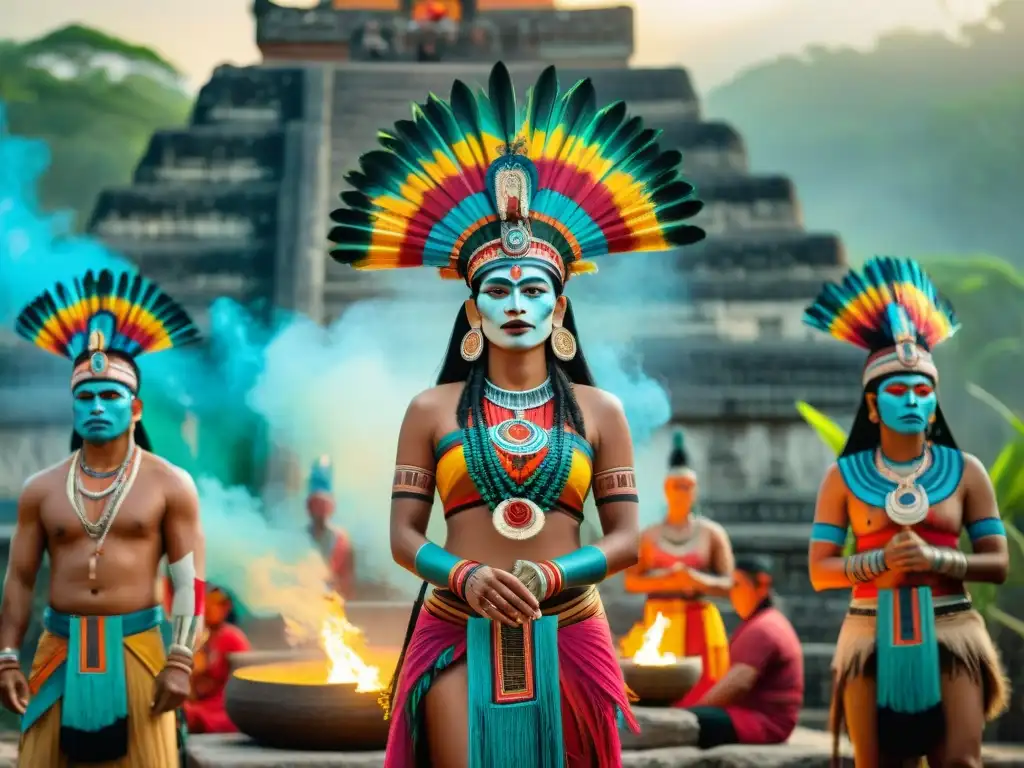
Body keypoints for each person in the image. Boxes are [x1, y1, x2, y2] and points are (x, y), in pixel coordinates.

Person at [328, 62, 705, 768]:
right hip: (453, 624)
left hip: (569, 624)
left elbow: (625, 539)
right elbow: (404, 535)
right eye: (496, 288)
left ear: (560, 307)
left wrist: (554, 575)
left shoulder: (600, 411)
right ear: (471, 309)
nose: (515, 302)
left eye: (535, 288)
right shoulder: (430, 409)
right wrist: (465, 574)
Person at [805, 256, 1009, 766]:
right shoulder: (843, 478)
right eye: (897, 390)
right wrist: (879, 564)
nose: (913, 400)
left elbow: (999, 563)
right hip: (868, 632)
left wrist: (940, 562)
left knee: (961, 762)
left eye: (923, 390)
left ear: (936, 403)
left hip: (953, 628)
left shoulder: (967, 473)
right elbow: (819, 571)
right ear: (872, 406)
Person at [0, 268, 206, 766]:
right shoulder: (41, 489)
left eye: (110, 395)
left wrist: (180, 660)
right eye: (85, 396)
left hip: (139, 649)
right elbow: (20, 580)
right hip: (58, 651)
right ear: (73, 406)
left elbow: (190, 582)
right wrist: (7, 657)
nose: (96, 406)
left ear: (135, 408)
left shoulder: (170, 484)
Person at [620, 429, 734, 705]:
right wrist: (668, 579)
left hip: (700, 619)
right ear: (666, 489)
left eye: (688, 486)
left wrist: (695, 579)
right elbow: (631, 582)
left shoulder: (711, 533)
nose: (682, 492)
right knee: (660, 690)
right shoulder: (649, 536)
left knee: (702, 691)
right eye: (677, 486)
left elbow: (730, 583)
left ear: (695, 490)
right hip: (660, 618)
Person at [685, 555, 803, 748]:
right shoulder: (765, 621)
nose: (732, 593)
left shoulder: (765, 628)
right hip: (757, 718)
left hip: (764, 723)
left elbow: (737, 684)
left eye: (738, 585)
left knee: (687, 722)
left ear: (762, 585)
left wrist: (690, 713)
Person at [184, 586, 250, 734]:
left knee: (191, 716)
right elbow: (195, 687)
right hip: (203, 703)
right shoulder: (201, 639)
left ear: (226, 608)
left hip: (223, 706)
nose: (210, 607)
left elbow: (242, 686)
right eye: (207, 602)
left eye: (217, 603)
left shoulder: (233, 639)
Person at [306, 455, 355, 600]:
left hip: (332, 603)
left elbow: (347, 581)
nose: (319, 511)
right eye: (315, 505)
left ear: (331, 507)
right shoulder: (301, 538)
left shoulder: (341, 539)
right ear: (308, 507)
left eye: (323, 505)